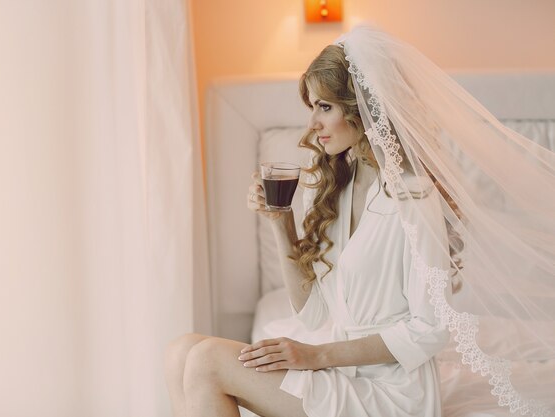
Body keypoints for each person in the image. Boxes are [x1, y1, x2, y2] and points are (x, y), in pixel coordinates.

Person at [165, 25, 555, 417]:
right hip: (344, 373)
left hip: (393, 390)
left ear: (362, 109)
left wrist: (315, 356)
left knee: (207, 360)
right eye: (312, 107)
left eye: (325, 107)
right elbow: (314, 312)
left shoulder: (413, 198)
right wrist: (280, 222)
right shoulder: (340, 187)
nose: (312, 125)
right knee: (181, 350)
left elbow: (429, 330)